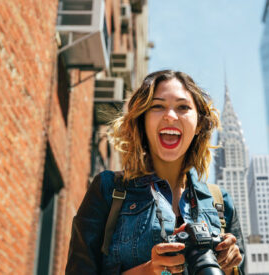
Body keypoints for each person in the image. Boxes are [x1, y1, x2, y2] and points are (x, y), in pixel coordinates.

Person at [65, 70, 245, 275]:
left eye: (183, 107)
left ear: (199, 125)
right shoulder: (108, 190)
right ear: (142, 120)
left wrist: (231, 267)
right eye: (158, 106)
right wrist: (147, 271)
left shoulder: (221, 203)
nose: (170, 115)